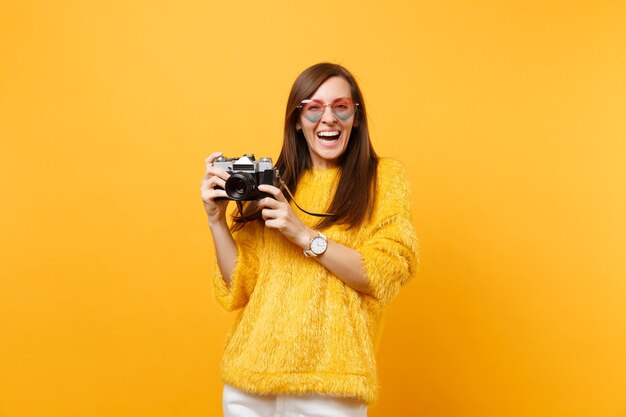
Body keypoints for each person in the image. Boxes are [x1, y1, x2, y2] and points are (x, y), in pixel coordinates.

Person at [200, 63, 418, 417]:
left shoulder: (382, 179)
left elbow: (385, 273)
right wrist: (216, 223)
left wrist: (301, 233)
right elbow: (239, 286)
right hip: (248, 384)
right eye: (313, 108)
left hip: (330, 387)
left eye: (341, 107)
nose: (328, 118)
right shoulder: (273, 183)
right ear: (297, 120)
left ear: (356, 117)